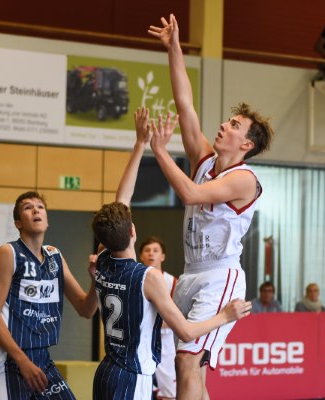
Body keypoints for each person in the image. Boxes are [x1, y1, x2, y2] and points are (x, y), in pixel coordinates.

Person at [148, 14, 274, 399]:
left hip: (221, 276)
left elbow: (190, 195)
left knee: (187, 360)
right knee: (189, 366)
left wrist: (158, 151)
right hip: (191, 272)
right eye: (228, 120)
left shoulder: (244, 179)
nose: (224, 125)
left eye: (234, 124)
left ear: (246, 144)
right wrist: (174, 49)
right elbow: (184, 103)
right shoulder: (205, 159)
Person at [91, 107, 251, 400]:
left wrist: (140, 146)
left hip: (105, 372)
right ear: (132, 233)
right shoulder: (148, 277)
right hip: (133, 376)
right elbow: (188, 333)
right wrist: (225, 316)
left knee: (193, 370)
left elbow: (121, 202)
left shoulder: (101, 262)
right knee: (189, 358)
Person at [0, 191, 98, 400]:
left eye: (40, 207)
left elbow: (86, 309)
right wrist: (22, 361)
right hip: (8, 360)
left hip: (42, 358)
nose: (36, 209)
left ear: (47, 221)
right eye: (28, 207)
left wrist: (96, 280)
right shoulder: (7, 254)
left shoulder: (55, 256)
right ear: (18, 223)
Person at [139, 236, 177, 400]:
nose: (151, 254)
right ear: (140, 256)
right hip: (141, 342)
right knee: (144, 392)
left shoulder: (172, 281)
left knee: (169, 393)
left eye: (155, 251)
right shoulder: (134, 279)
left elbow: (178, 317)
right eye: (147, 250)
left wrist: (152, 324)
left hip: (166, 345)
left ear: (162, 256)